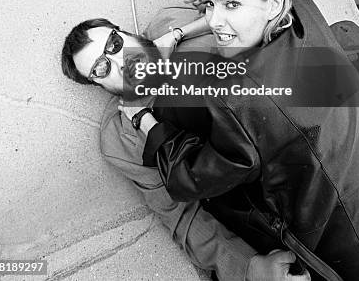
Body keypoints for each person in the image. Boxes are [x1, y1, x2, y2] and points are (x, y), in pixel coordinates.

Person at [118, 0, 359, 281]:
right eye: (209, 5)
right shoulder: (298, 0)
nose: (214, 21)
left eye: (231, 4)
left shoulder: (240, 99)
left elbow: (191, 181)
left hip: (343, 248)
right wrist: (176, 34)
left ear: (272, 3)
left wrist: (145, 121)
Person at [61, 16, 309, 281]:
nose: (121, 61)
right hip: (277, 201)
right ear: (98, 85)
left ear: (126, 33)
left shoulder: (172, 26)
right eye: (101, 68)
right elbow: (181, 215)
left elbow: (247, 12)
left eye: (114, 43)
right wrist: (247, 267)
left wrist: (179, 32)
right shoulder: (122, 138)